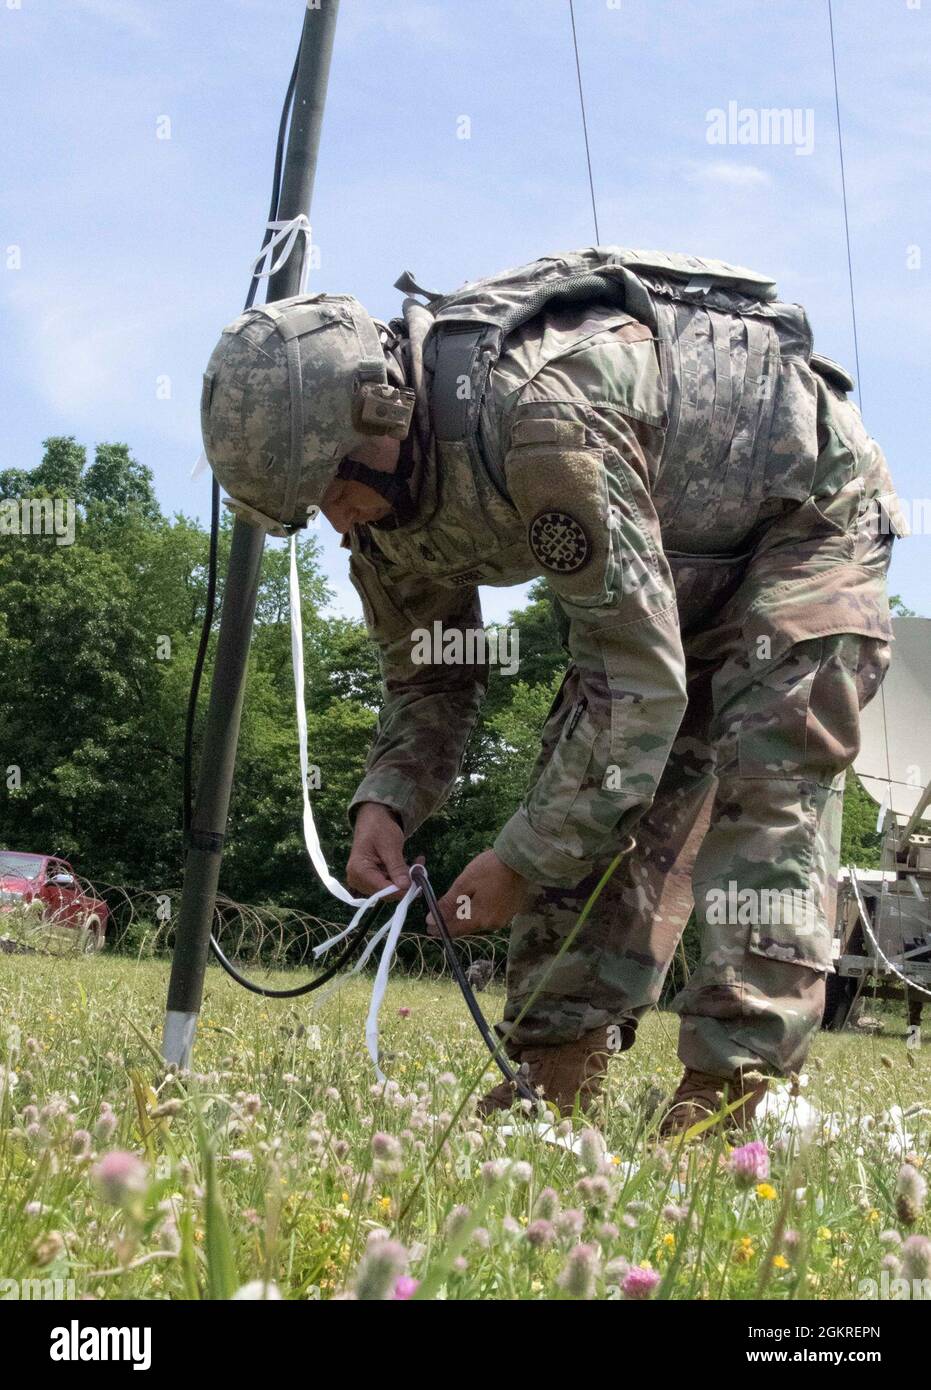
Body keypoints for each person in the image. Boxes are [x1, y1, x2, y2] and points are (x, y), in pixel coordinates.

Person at [201, 247, 905, 1132]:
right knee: (585, 772)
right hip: (663, 556)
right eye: (315, 507)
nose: (338, 519)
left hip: (806, 525)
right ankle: (553, 1070)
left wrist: (518, 862)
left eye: (335, 486)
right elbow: (431, 673)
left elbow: (635, 693)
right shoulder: (379, 504)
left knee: (767, 772)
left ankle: (737, 1096)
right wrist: (385, 801)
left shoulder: (542, 418)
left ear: (380, 414)